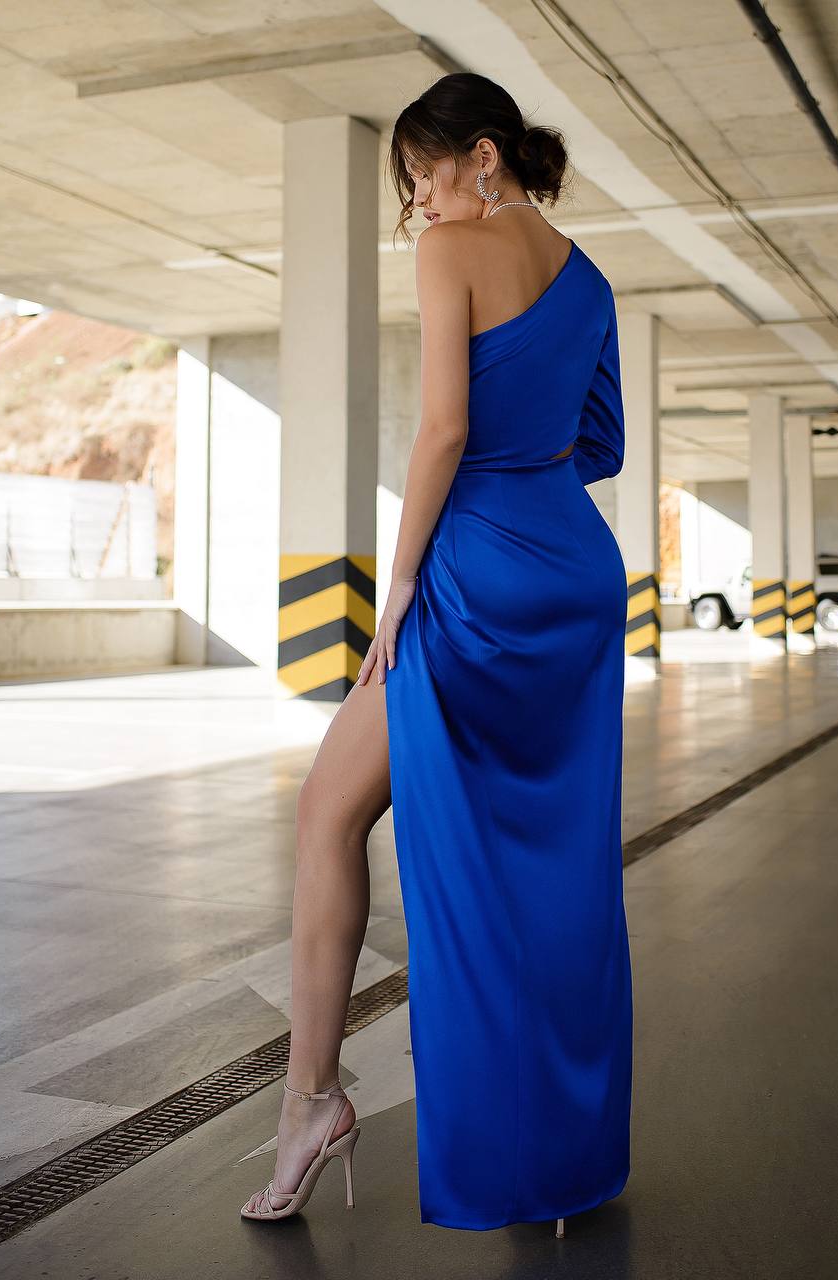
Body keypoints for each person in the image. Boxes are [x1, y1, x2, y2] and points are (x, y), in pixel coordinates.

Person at [241, 71, 632, 1238]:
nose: (418, 202)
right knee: (551, 865)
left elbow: (445, 429)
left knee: (326, 814)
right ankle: (562, 1153)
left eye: (423, 173)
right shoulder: (591, 276)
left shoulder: (455, 250)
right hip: (572, 574)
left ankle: (312, 1104)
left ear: (483, 158)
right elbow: (597, 442)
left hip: (471, 572)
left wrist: (400, 579)